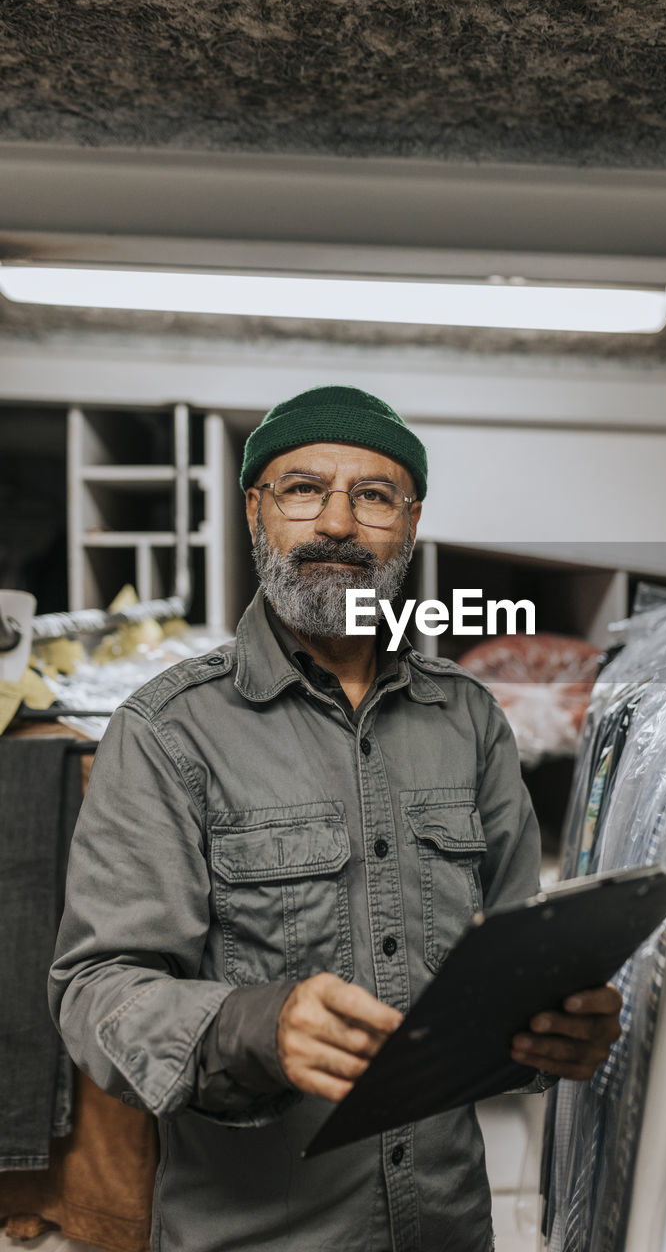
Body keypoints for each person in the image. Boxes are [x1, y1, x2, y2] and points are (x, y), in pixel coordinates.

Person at [50, 386, 622, 1252]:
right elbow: (97, 992)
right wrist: (255, 1026)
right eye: (303, 489)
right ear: (256, 511)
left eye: (375, 496)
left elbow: (502, 970)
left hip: (450, 1229)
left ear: (412, 522)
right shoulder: (167, 731)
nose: (338, 524)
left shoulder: (469, 720)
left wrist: (556, 1029)